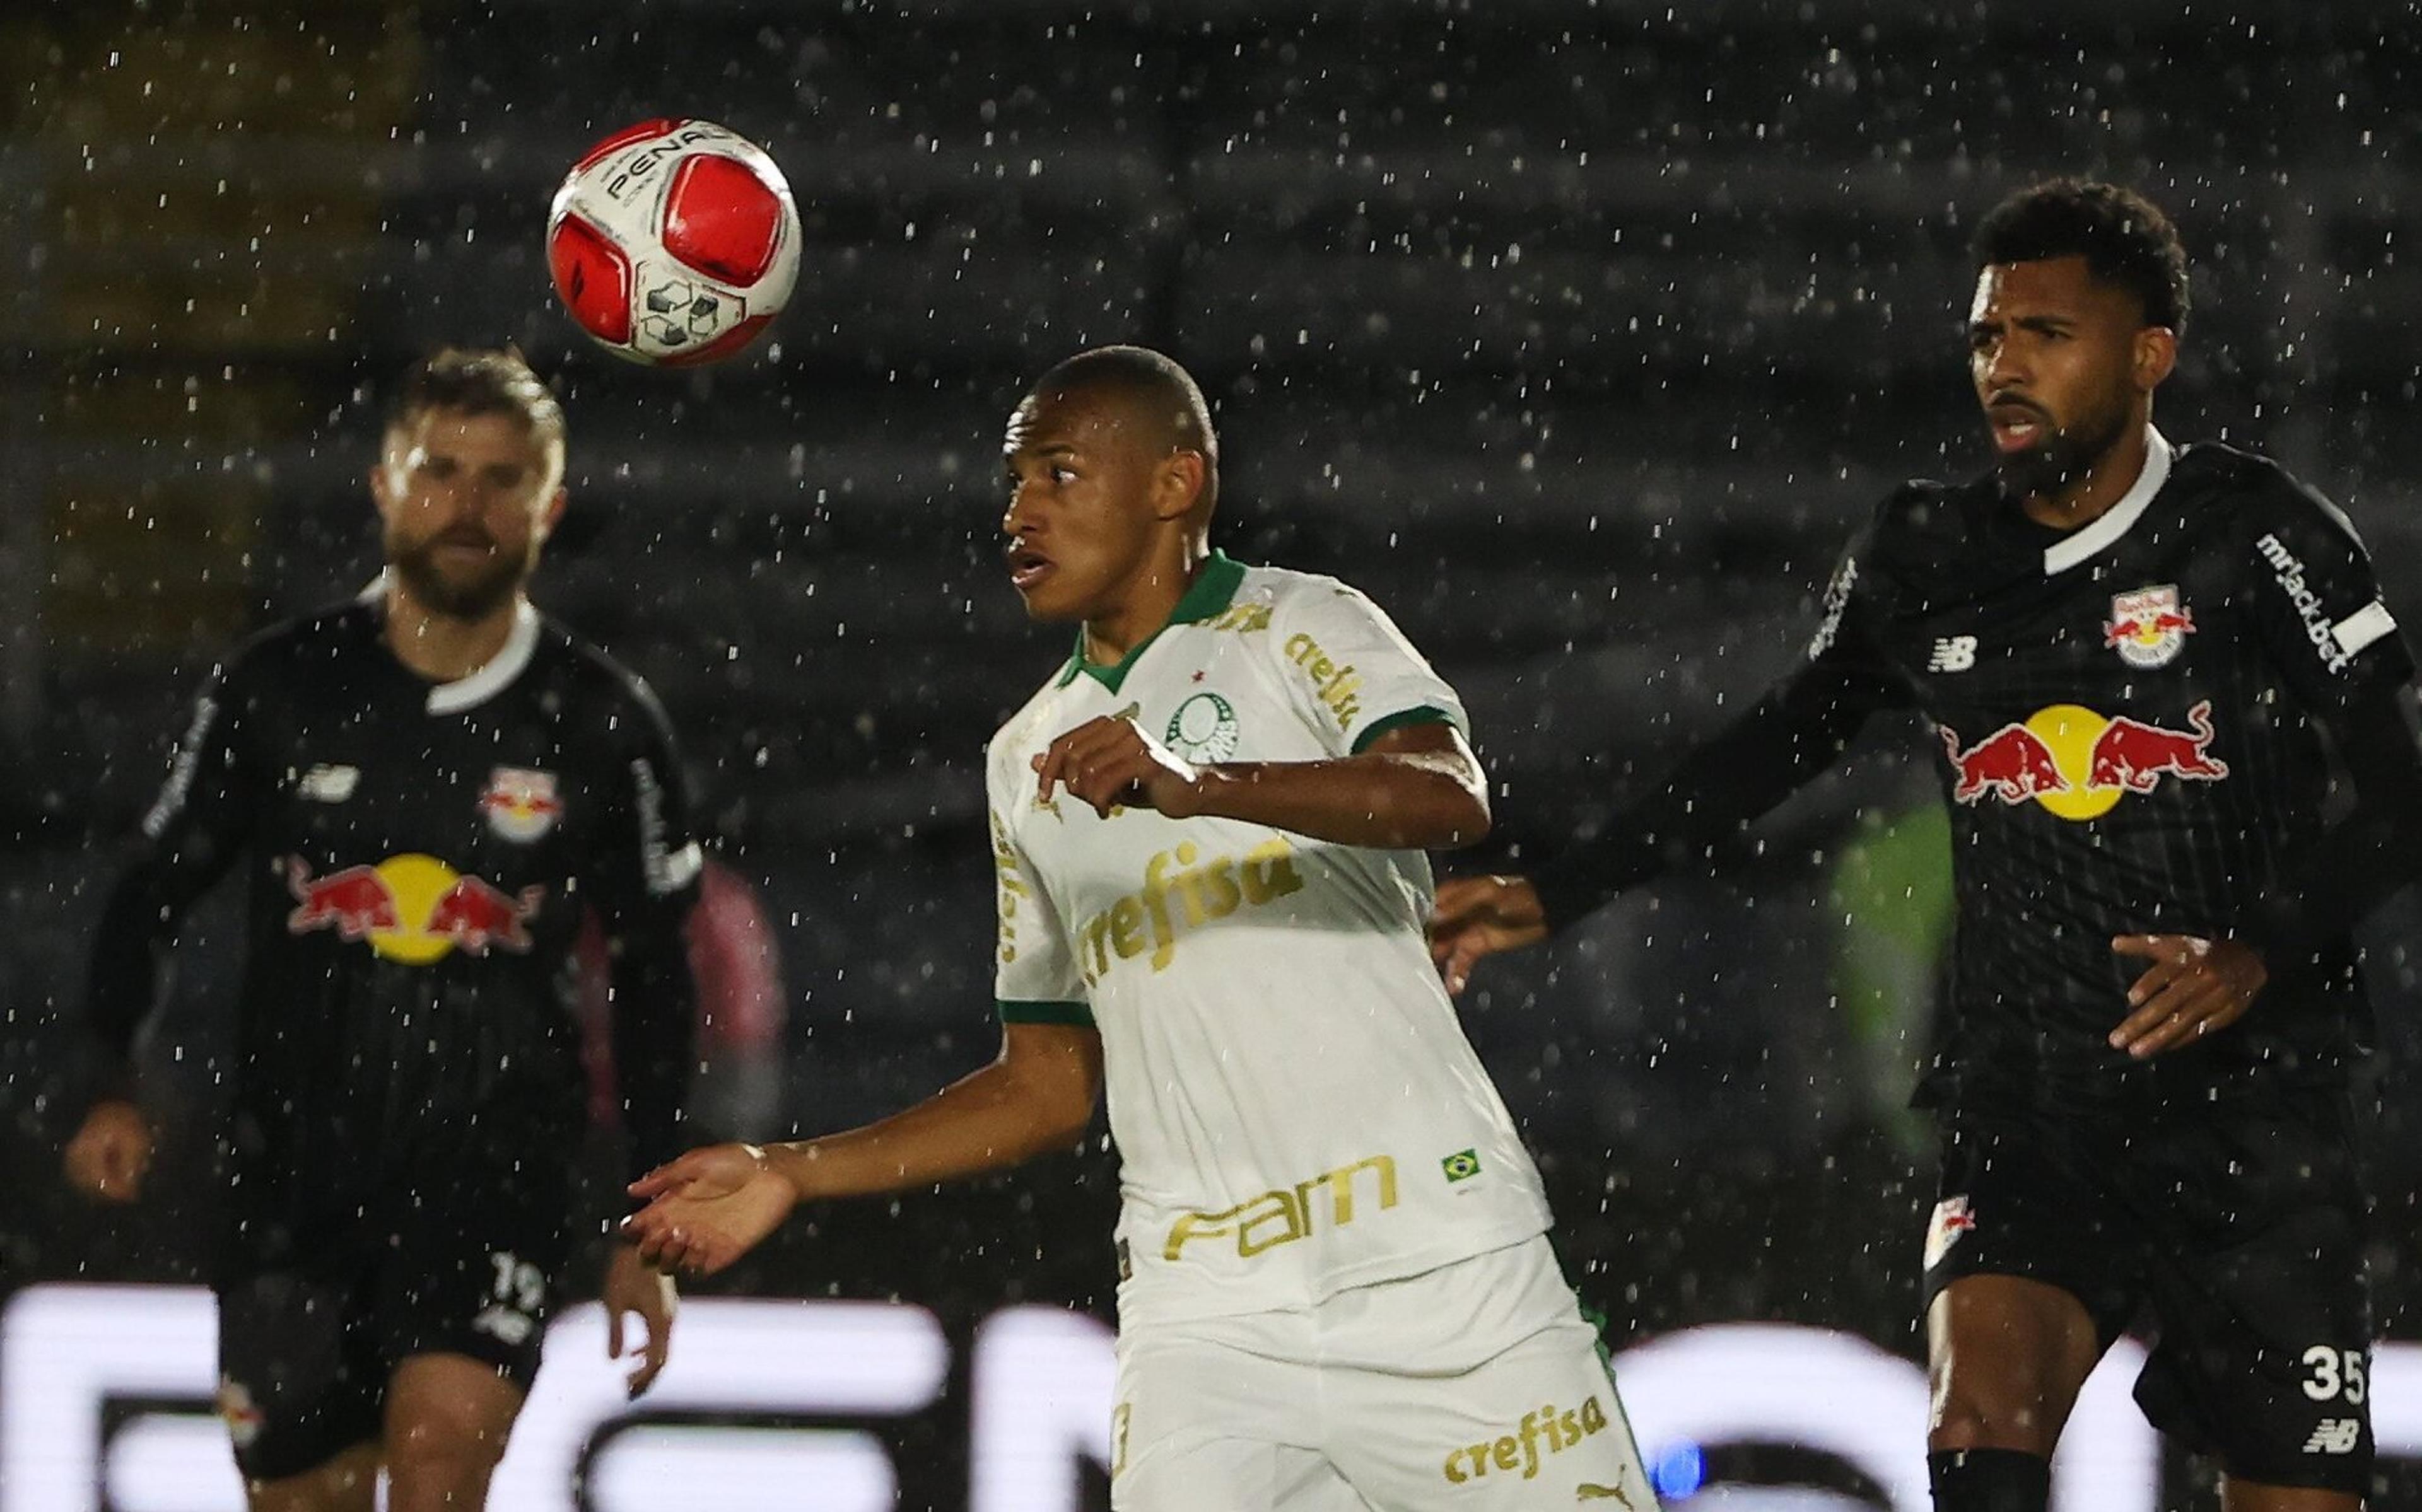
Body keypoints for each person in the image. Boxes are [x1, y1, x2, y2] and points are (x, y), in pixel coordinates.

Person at [1430, 179, 2422, 1512]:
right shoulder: (1927, 553)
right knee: (1979, 1425)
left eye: (2046, 334)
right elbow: (1775, 743)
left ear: (2148, 358)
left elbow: (2405, 795)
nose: (2004, 365)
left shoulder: (2258, 537)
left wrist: (2258, 950)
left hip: (2250, 1112)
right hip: (2030, 1105)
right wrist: (1565, 887)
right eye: (1986, 335)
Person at [623, 345, 1660, 1511]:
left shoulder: (1299, 623)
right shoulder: (1025, 757)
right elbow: (1048, 1085)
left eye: (1058, 473)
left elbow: (1446, 791)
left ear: (1175, 484)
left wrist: (1197, 782)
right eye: (1013, 483)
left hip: (1443, 1264)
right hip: (1206, 1321)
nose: (1018, 511)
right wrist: (793, 1169)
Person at [62, 348, 705, 1512]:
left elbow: (658, 973)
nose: (470, 503)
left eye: (504, 478)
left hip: (495, 1164)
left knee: (443, 1455)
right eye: (440, 469)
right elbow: (152, 887)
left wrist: (647, 1229)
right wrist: (108, 1074)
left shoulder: (601, 721)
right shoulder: (278, 687)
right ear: (381, 484)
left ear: (551, 505)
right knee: (303, 1496)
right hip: (291, 1168)